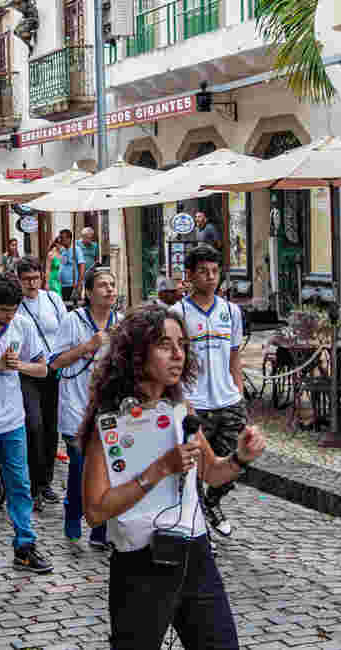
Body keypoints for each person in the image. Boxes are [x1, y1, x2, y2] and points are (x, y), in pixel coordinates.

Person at [80, 304, 266, 648]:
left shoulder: (182, 411)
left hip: (194, 554)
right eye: (165, 345)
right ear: (136, 354)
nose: (178, 354)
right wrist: (159, 469)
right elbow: (94, 510)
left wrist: (241, 457)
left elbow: (212, 473)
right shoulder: (109, 424)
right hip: (140, 563)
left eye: (182, 345)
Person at [0, 273, 53, 573]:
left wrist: (21, 366)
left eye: (13, 310)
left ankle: (25, 545)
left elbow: (43, 369)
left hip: (13, 420)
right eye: (3, 310)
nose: (8, 317)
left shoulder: (23, 326)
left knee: (20, 484)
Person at [170, 244, 245, 537]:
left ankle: (212, 504)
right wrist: (178, 399)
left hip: (228, 401)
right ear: (189, 275)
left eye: (215, 271)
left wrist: (238, 392)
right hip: (192, 403)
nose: (211, 277)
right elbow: (172, 359)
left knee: (236, 462)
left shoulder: (231, 311)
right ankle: (199, 529)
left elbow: (235, 355)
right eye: (203, 271)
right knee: (192, 470)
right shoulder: (177, 313)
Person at [50, 266, 120, 551]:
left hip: (110, 410)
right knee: (80, 469)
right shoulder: (72, 320)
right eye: (103, 285)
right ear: (88, 292)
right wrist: (89, 346)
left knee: (107, 471)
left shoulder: (121, 322)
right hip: (77, 408)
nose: (110, 290)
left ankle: (100, 531)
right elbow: (55, 362)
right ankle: (73, 516)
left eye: (112, 285)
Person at [16, 257, 67, 509]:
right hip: (26, 373)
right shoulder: (15, 305)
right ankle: (33, 484)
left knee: (50, 427)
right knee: (33, 426)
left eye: (35, 278)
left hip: (52, 370)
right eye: (26, 280)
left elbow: (64, 330)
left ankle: (45, 482)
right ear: (19, 281)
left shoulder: (52, 300)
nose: (32, 283)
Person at [57, 230, 83, 302]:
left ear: (69, 239)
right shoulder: (62, 250)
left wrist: (79, 283)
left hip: (73, 285)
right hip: (63, 285)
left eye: (62, 238)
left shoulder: (76, 250)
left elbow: (81, 266)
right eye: (60, 238)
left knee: (73, 306)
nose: (60, 240)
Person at [77, 227, 99, 292]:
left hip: (90, 271)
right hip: (79, 272)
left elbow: (97, 259)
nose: (90, 240)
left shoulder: (95, 245)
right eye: (88, 238)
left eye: (91, 238)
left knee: (89, 289)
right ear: (83, 237)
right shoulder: (76, 244)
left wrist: (93, 267)